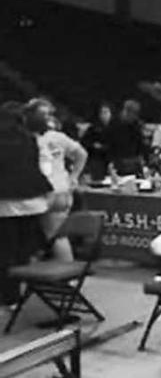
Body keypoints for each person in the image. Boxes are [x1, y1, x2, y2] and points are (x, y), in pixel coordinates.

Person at [0, 102, 54, 308]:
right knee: (24, 250)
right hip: (33, 201)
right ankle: (21, 291)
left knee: (5, 251)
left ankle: (9, 296)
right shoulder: (30, 139)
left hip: (5, 203)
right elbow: (44, 169)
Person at [23, 98, 88, 262]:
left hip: (41, 194)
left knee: (27, 238)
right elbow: (82, 154)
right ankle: (67, 280)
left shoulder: (26, 139)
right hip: (62, 191)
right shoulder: (57, 137)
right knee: (58, 237)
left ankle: (30, 277)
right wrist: (73, 177)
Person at [106, 99, 147, 175]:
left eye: (137, 113)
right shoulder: (114, 124)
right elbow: (109, 144)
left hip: (134, 160)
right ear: (126, 111)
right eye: (134, 113)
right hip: (118, 160)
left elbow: (140, 143)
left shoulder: (136, 124)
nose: (135, 116)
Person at [81, 102, 113, 180]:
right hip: (97, 159)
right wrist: (94, 146)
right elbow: (85, 143)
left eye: (106, 112)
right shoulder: (93, 128)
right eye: (102, 112)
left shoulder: (115, 127)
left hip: (111, 158)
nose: (104, 115)